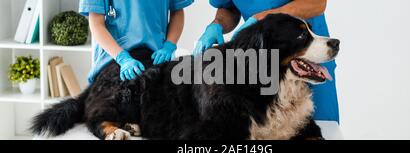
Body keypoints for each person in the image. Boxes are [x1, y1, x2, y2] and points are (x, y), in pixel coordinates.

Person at [194, 0, 340, 122]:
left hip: (309, 56)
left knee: (322, 128)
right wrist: (217, 24)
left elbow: (317, 3)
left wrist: (264, 17)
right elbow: (229, 7)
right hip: (266, 68)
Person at [79, 0, 193, 82]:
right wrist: (122, 58)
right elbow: (96, 24)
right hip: (115, 55)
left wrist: (169, 45)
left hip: (156, 54)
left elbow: (177, 12)